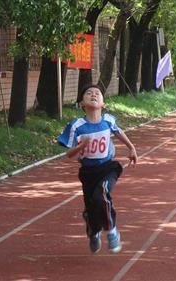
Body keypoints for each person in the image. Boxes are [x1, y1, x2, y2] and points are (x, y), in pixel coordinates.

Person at [57, 84, 138, 254]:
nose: (93, 95)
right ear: (81, 103)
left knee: (101, 196)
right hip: (88, 173)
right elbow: (69, 154)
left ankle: (112, 231)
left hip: (108, 167)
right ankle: (93, 232)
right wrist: (81, 147)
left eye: (97, 93)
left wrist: (131, 147)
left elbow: (118, 132)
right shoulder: (76, 126)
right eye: (88, 93)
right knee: (92, 208)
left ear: (103, 103)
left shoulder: (108, 120)